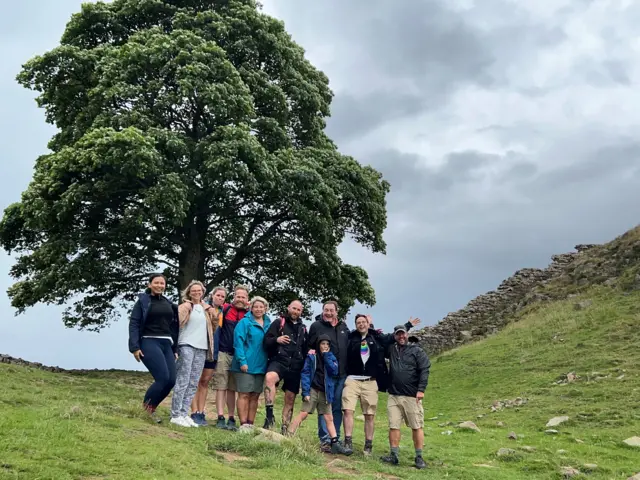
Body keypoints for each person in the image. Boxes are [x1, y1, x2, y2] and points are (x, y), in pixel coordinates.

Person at [342, 314, 420, 455]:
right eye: (358, 322)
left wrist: (408, 325)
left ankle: (368, 445)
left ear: (368, 323)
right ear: (355, 324)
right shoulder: (350, 337)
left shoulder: (376, 337)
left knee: (369, 414)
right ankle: (348, 442)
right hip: (352, 379)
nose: (361, 324)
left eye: (363, 322)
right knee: (348, 410)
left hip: (370, 381)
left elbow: (392, 337)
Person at [287, 335, 351, 456]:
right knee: (303, 413)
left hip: (326, 392)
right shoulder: (312, 357)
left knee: (328, 418)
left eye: (327, 344)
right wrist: (305, 391)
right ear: (318, 345)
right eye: (323, 344)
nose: (325, 346)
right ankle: (288, 436)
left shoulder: (331, 357)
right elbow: (305, 373)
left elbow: (334, 371)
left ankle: (335, 443)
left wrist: (326, 356)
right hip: (313, 389)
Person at [128, 273, 179, 423]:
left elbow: (174, 327)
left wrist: (175, 349)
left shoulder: (169, 303)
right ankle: (146, 409)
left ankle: (151, 409)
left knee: (171, 381)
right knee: (162, 378)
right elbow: (134, 324)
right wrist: (134, 347)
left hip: (166, 343)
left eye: (162, 283)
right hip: (149, 341)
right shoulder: (143, 302)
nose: (159, 286)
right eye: (156, 283)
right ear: (149, 284)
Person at [380, 325, 431, 469]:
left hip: (411, 396)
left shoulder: (417, 351)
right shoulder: (391, 349)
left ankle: (419, 457)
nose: (401, 337)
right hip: (394, 395)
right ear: (395, 336)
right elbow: (382, 340)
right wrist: (370, 325)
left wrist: (421, 390)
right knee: (393, 425)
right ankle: (394, 455)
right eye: (398, 335)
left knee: (416, 426)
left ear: (407, 335)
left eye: (403, 334)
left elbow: (425, 369)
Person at [169, 281, 218, 427]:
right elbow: (176, 324)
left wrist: (211, 311)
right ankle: (175, 414)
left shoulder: (207, 309)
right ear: (189, 293)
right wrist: (175, 347)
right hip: (186, 345)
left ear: (203, 292)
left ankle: (184, 414)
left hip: (202, 348)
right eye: (194, 290)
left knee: (193, 382)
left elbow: (213, 326)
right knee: (183, 380)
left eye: (199, 290)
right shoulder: (184, 307)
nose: (197, 293)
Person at [307, 300, 350, 451]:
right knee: (325, 406)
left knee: (337, 405)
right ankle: (325, 439)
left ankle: (335, 439)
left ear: (337, 311)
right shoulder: (316, 326)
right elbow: (310, 346)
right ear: (322, 310)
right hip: (325, 375)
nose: (329, 313)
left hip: (341, 373)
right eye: (326, 310)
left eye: (332, 310)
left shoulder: (344, 327)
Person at [262, 299, 308, 433]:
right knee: (269, 378)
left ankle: (284, 427)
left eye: (298, 310)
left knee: (290, 398)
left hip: (295, 366)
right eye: (294, 308)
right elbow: (266, 341)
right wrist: (277, 339)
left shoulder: (303, 328)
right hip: (279, 360)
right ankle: (269, 417)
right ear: (288, 308)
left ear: (301, 312)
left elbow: (306, 349)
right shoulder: (278, 323)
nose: (296, 311)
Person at [210, 285, 249, 429]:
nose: (240, 299)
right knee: (221, 386)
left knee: (232, 388)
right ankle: (220, 416)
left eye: (243, 297)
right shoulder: (225, 309)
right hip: (223, 352)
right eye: (238, 296)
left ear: (247, 299)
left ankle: (231, 418)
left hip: (239, 356)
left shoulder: (249, 314)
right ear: (234, 297)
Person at [231, 296, 272, 431]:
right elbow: (238, 343)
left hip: (261, 366)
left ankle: (250, 423)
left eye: (261, 307)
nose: (259, 309)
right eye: (256, 307)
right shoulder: (244, 323)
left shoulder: (268, 324)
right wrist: (242, 360)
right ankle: (243, 425)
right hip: (245, 365)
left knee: (255, 395)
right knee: (244, 394)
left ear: (265, 309)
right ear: (251, 308)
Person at [190, 286, 227, 426]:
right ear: (212, 295)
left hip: (214, 351)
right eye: (218, 295)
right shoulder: (202, 308)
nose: (220, 298)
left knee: (204, 381)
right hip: (200, 348)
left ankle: (201, 411)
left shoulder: (224, 312)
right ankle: (193, 411)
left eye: (223, 296)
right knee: (194, 379)